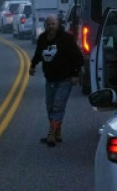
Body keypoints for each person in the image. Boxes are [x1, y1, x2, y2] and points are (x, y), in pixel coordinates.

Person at [29, 14, 83, 146]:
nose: (50, 26)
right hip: (50, 79)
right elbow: (38, 54)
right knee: (50, 106)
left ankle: (51, 134)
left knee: (58, 106)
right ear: (45, 25)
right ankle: (57, 132)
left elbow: (78, 57)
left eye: (53, 24)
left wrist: (75, 74)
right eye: (48, 24)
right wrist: (33, 65)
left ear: (58, 25)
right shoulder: (42, 38)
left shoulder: (66, 39)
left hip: (65, 78)